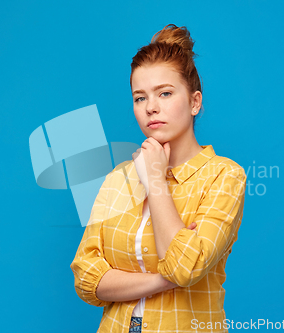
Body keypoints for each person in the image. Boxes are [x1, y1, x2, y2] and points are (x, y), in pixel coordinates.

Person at [70, 24, 247, 333]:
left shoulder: (224, 175)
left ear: (194, 102)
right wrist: (162, 280)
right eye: (140, 98)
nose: (151, 107)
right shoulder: (118, 179)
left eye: (165, 93)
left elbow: (184, 266)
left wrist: (155, 181)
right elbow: (87, 279)